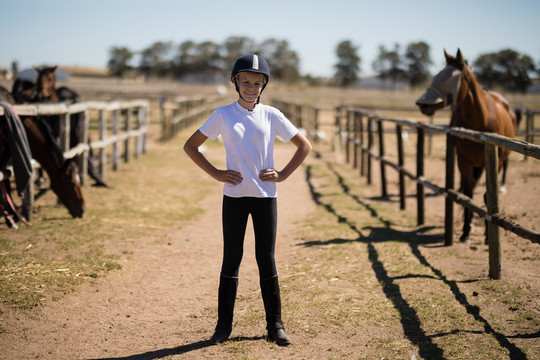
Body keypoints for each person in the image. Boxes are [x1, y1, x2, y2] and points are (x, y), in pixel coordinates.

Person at [183, 54, 312, 346]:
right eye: (245, 82)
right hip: (235, 198)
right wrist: (216, 173)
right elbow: (191, 146)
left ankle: (275, 325)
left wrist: (282, 174)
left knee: (265, 259)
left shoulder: (272, 115)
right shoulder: (222, 115)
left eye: (257, 83)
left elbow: (304, 146)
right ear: (235, 82)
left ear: (264, 85)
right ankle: (223, 327)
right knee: (232, 257)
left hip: (266, 197)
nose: (251, 88)